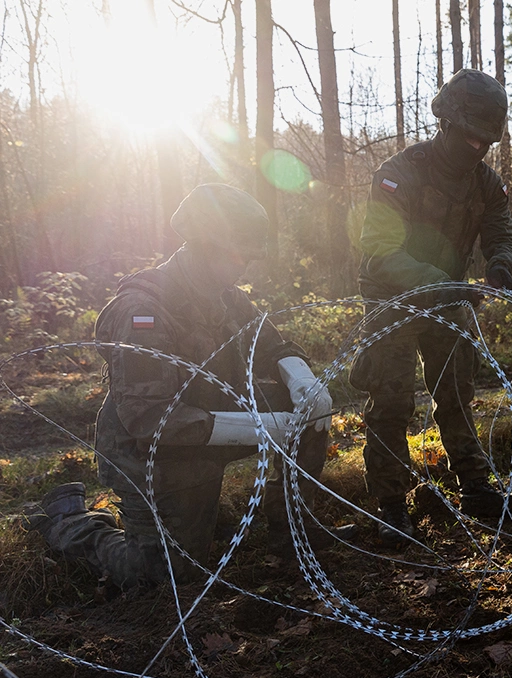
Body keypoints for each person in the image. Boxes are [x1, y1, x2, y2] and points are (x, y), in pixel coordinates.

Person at [22, 184, 355, 590]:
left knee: (308, 415)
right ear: (204, 247)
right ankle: (67, 519)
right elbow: (150, 420)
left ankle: (293, 534)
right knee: (165, 576)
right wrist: (266, 426)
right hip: (152, 453)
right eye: (239, 255)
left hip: (211, 422)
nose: (246, 265)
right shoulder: (143, 312)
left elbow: (271, 343)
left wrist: (304, 381)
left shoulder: (225, 296)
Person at [349, 68, 512, 546]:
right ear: (445, 123)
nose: (477, 148)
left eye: (486, 140)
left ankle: (475, 490)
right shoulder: (398, 174)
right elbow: (381, 249)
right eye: (470, 137)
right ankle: (391, 509)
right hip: (392, 300)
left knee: (456, 394)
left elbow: (501, 232)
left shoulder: (487, 183)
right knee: (391, 403)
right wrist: (440, 283)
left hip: (449, 299)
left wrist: (502, 266)